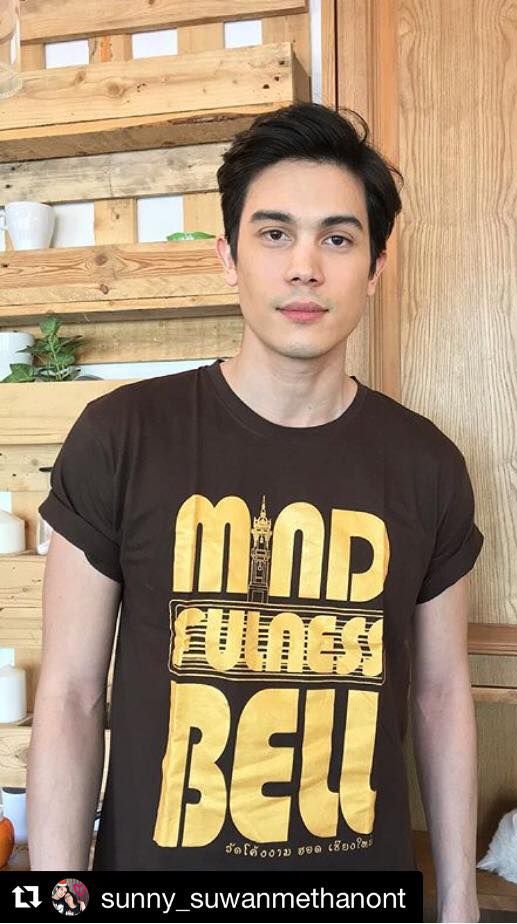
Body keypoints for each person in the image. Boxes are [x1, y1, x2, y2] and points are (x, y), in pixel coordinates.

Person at [26, 102, 484, 922]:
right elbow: (69, 696)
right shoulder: (121, 437)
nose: (304, 267)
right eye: (275, 234)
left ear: (375, 267)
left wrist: (459, 903)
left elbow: (443, 696)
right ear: (229, 257)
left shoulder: (428, 466)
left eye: (337, 239)